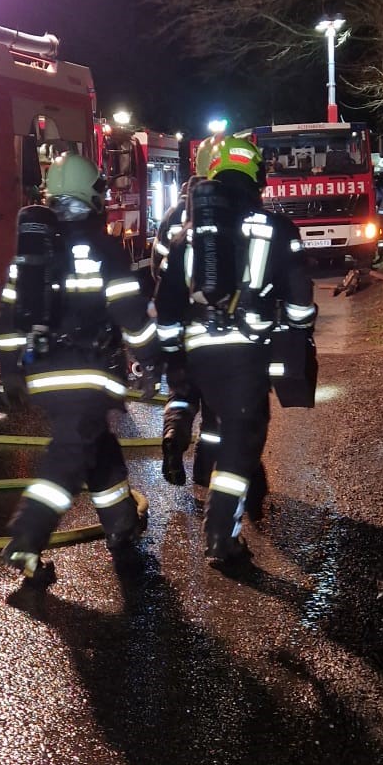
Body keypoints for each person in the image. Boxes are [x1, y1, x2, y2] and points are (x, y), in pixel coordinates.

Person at [154, 133, 316, 568]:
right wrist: (298, 334)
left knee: (217, 424)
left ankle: (187, 445)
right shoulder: (276, 228)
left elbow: (166, 302)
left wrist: (173, 361)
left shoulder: (187, 235)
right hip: (247, 355)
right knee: (242, 441)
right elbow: (299, 299)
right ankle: (220, 537)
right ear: (256, 178)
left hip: (197, 353)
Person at [0, 151, 156, 584]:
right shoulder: (104, 248)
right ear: (91, 196)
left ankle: (121, 523)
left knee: (96, 445)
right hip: (89, 372)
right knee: (67, 458)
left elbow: (8, 315)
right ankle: (26, 537)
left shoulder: (33, 253)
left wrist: (10, 369)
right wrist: (153, 362)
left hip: (43, 372)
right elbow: (131, 316)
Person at [152, 136, 220, 497]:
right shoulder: (226, 211)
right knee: (213, 408)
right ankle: (204, 475)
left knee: (181, 392)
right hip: (215, 332)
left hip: (179, 325)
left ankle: (173, 437)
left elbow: (158, 268)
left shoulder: (173, 216)